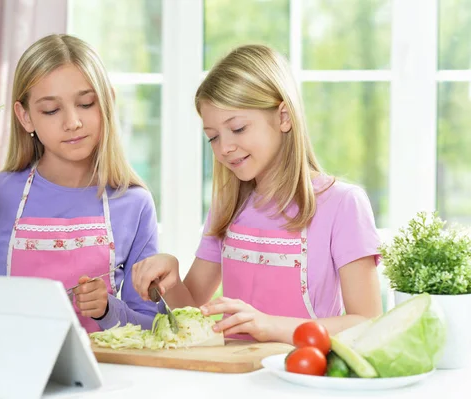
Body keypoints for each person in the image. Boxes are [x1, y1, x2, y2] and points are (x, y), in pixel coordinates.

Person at [132, 44, 383, 344]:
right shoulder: (228, 206)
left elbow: (367, 323)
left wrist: (270, 326)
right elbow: (193, 312)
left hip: (304, 378)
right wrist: (169, 281)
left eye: (237, 128)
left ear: (284, 117)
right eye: (213, 137)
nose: (224, 147)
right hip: (234, 378)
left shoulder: (341, 204)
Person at [0, 34, 159, 333]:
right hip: (13, 367)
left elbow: (152, 326)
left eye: (85, 103)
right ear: (25, 117)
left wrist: (109, 309)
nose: (73, 122)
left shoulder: (134, 203)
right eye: (51, 110)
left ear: (107, 103)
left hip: (105, 374)